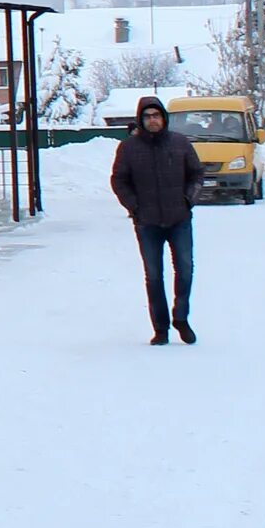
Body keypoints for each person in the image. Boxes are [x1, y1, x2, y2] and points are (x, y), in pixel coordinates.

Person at [110, 97, 203, 344]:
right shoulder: (129, 148)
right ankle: (160, 328)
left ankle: (181, 318)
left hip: (179, 219)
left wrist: (188, 200)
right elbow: (119, 180)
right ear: (141, 120)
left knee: (185, 270)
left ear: (164, 118)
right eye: (147, 116)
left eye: (156, 115)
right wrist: (135, 206)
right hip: (147, 222)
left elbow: (197, 174)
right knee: (153, 275)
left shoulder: (180, 143)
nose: (153, 120)